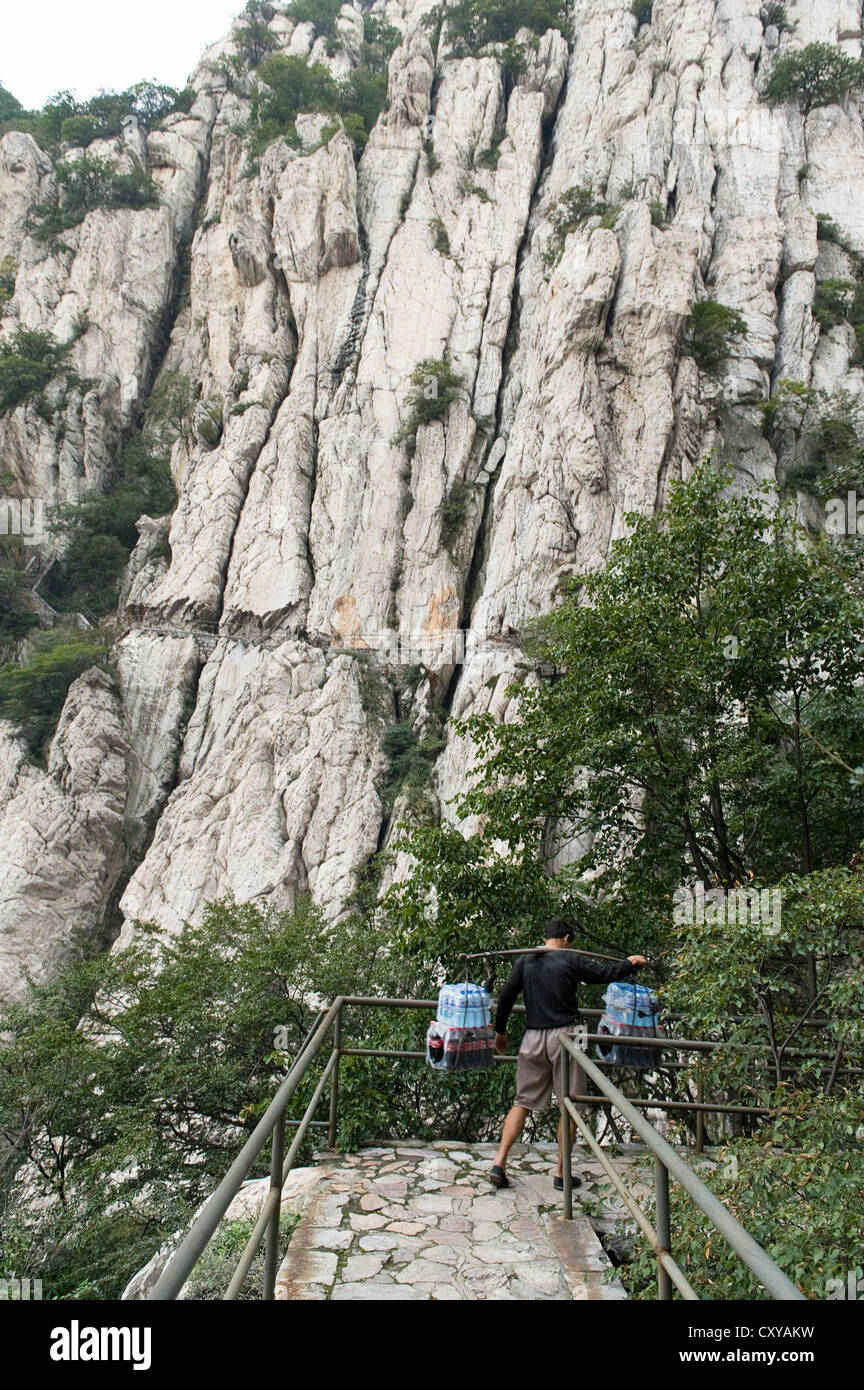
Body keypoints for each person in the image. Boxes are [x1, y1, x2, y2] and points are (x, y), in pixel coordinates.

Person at [489, 918, 647, 1190]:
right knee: (570, 1105)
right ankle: (562, 1173)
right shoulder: (571, 959)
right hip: (571, 1035)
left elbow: (506, 996)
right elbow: (603, 975)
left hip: (532, 1037)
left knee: (522, 1101)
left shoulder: (526, 961)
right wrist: (629, 965)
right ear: (566, 938)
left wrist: (500, 1032)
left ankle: (499, 1163)